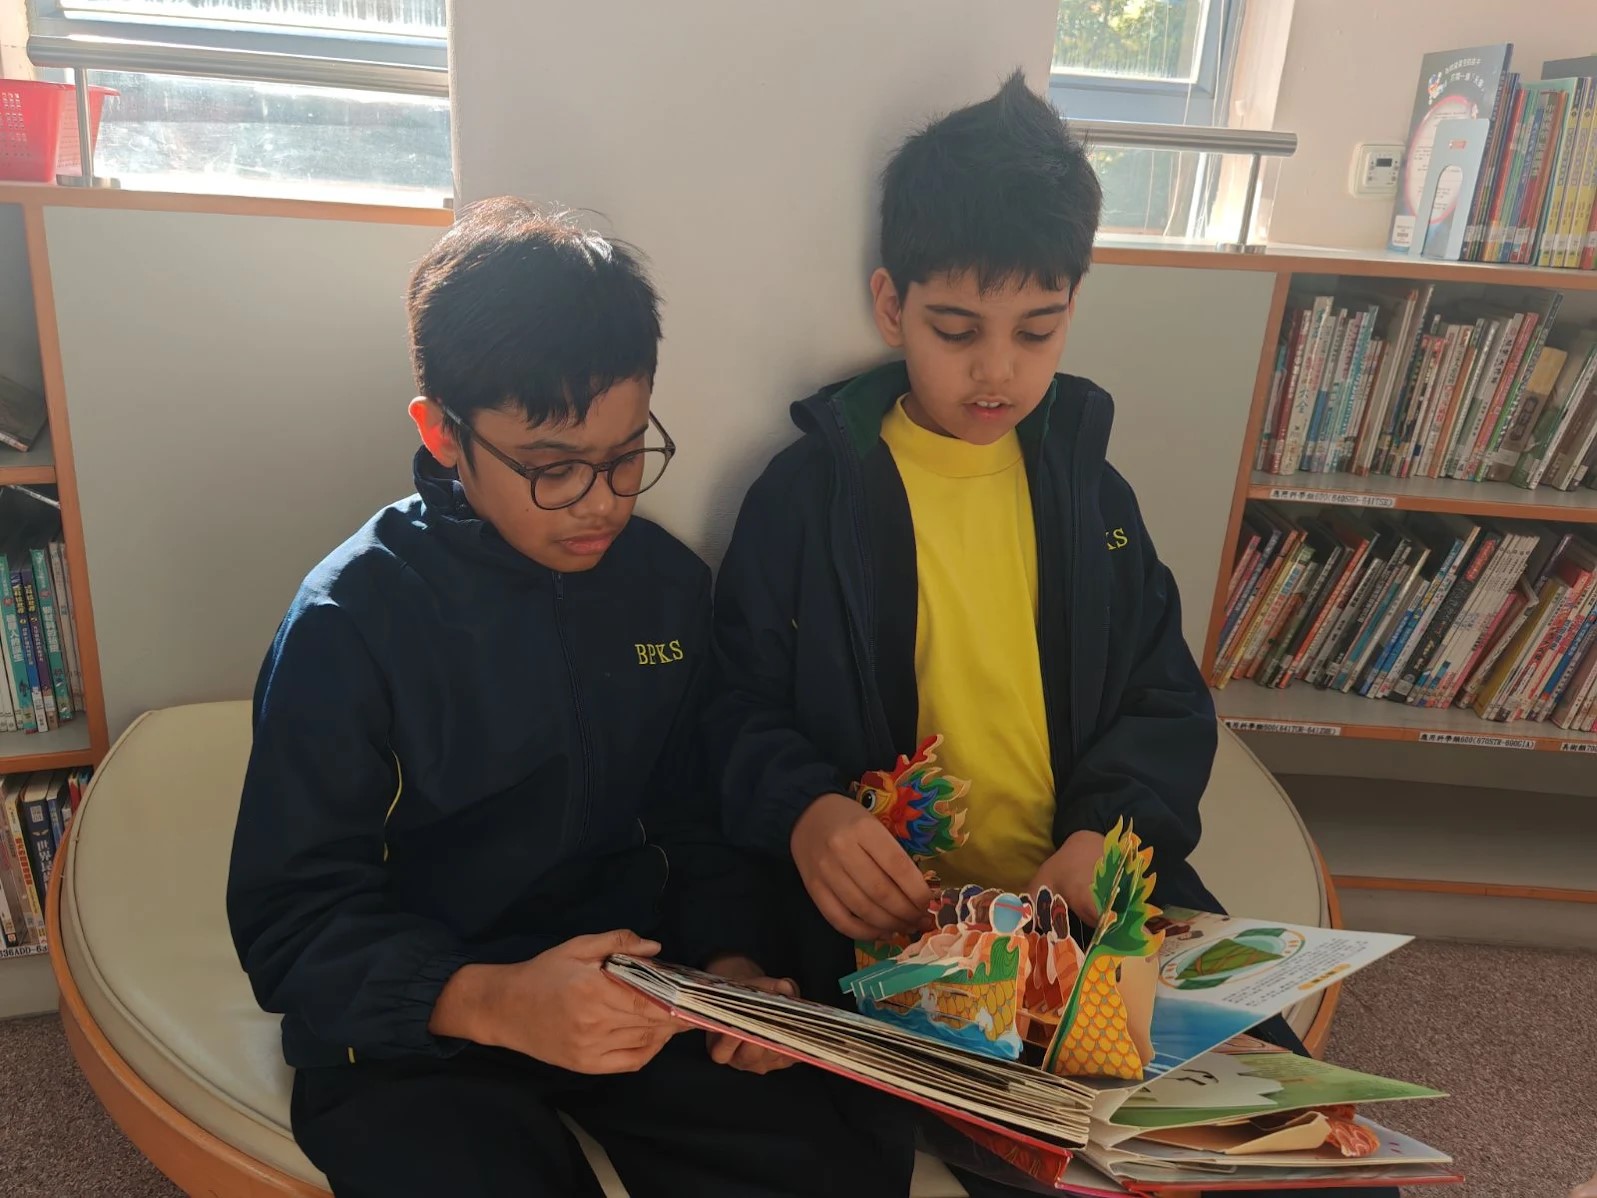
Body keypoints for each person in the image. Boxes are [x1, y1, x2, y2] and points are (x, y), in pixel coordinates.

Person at [706, 73, 1399, 1198]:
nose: (998, 369)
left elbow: (1165, 698)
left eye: (1038, 330)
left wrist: (1106, 831)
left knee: (1305, 1156)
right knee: (1055, 1164)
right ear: (890, 306)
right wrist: (806, 810)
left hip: (1093, 909)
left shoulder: (1088, 493)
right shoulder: (808, 499)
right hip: (914, 944)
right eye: (955, 330)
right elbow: (730, 704)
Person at [227, 197, 903, 1198]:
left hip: (635, 991)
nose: (601, 501)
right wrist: (493, 1002)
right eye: (551, 469)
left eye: (627, 455)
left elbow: (694, 815)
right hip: (417, 1035)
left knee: (834, 1158)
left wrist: (728, 970)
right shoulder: (351, 619)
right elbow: (289, 923)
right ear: (442, 432)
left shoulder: (663, 587)